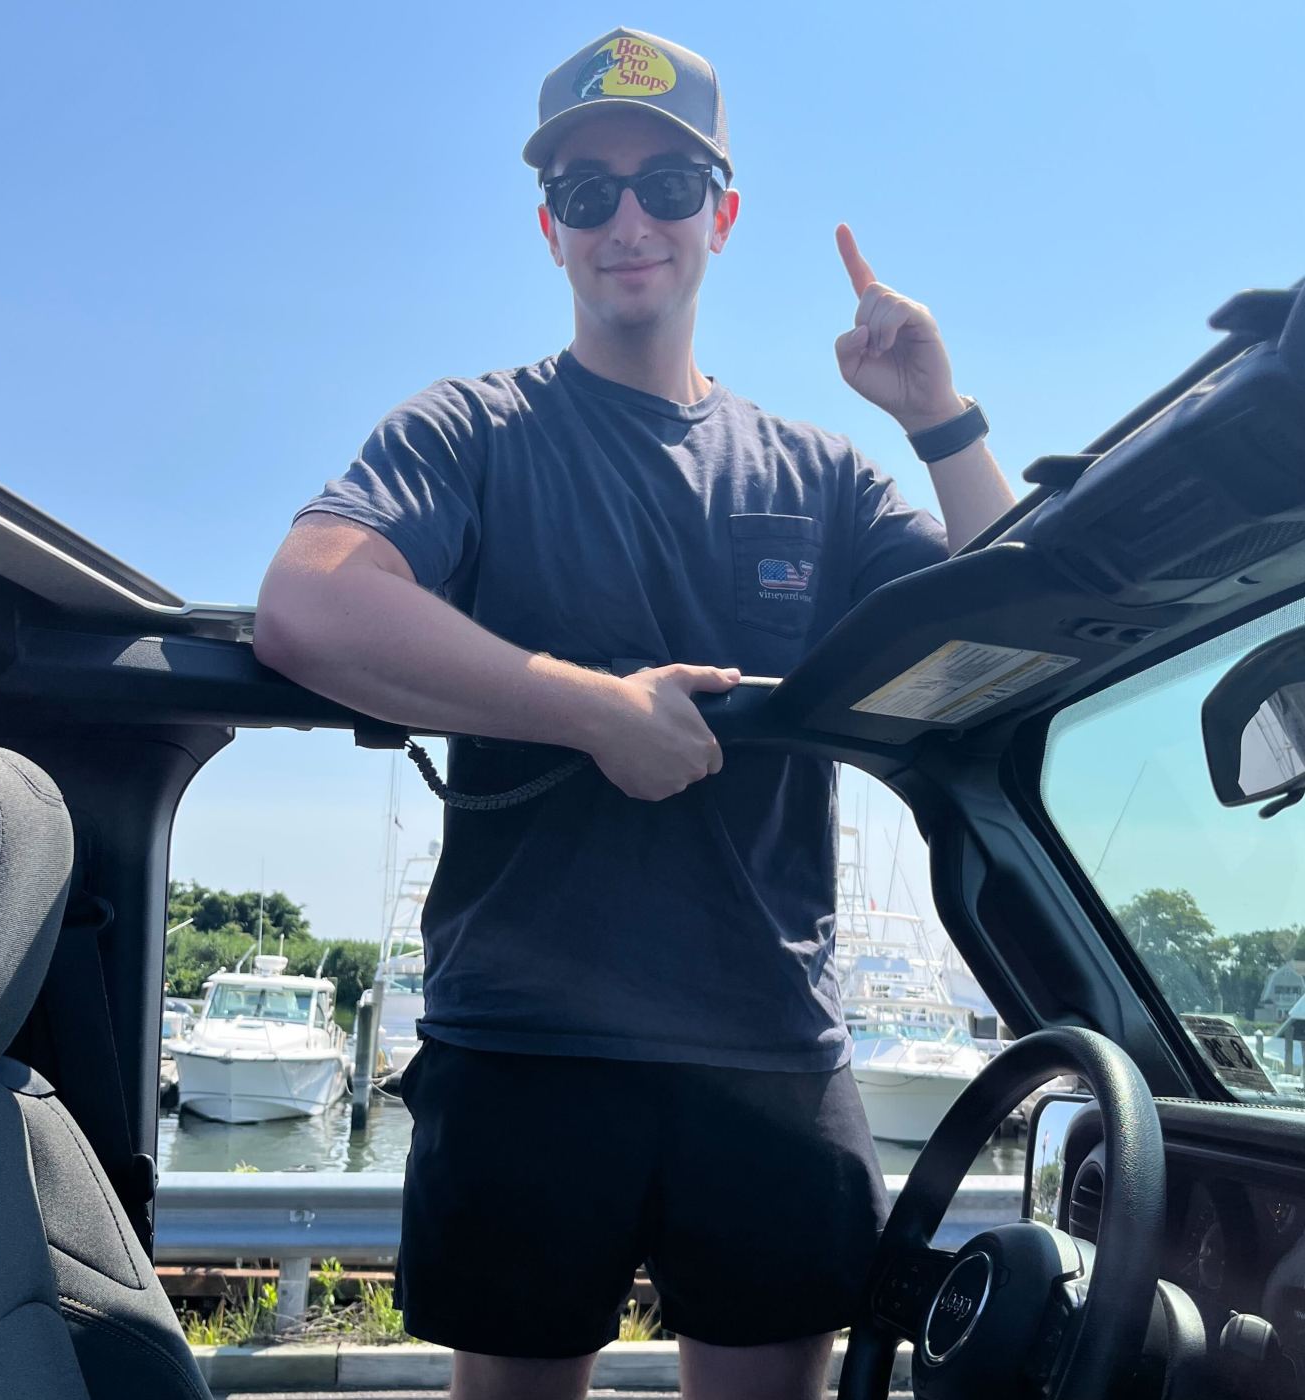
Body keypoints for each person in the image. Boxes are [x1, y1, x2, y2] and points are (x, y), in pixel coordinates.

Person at [253, 26, 1015, 1400]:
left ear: (722, 215)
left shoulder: (825, 474)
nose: (627, 221)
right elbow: (309, 604)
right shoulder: (469, 430)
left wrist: (939, 418)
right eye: (587, 190)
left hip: (770, 1044)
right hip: (523, 1045)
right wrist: (597, 712)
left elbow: (1006, 640)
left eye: (667, 185)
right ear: (548, 226)